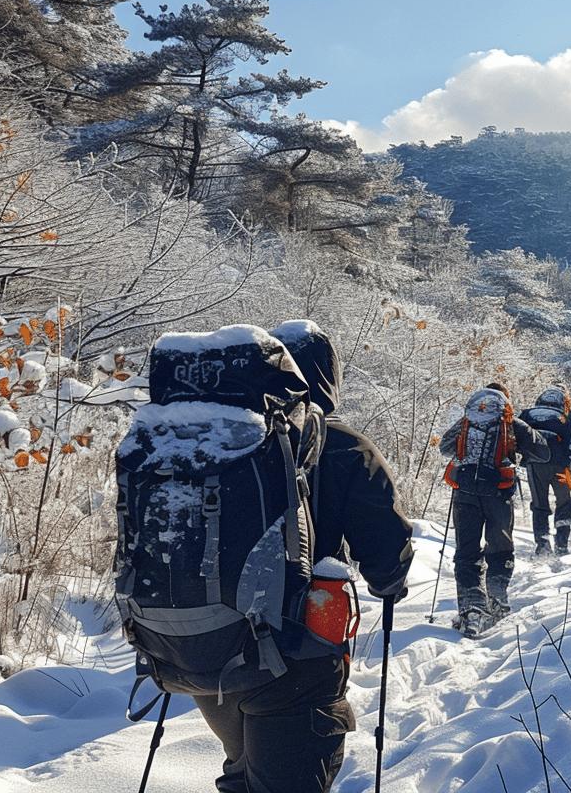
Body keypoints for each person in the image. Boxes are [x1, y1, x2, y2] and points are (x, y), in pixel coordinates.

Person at [192, 320, 414, 793]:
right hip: (298, 647)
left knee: (246, 765)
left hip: (207, 648)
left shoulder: (214, 444)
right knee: (290, 774)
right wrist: (391, 583)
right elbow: (384, 553)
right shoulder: (346, 448)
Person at [440, 383, 549, 636]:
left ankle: (472, 611)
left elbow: (445, 446)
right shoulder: (511, 423)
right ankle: (497, 599)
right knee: (499, 549)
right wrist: (519, 452)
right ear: (506, 402)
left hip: (465, 492)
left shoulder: (467, 420)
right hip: (499, 493)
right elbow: (542, 452)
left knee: (467, 552)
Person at [518, 385, 571, 554]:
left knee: (539, 503)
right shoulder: (567, 417)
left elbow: (516, 437)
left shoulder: (528, 414)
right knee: (564, 501)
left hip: (535, 465)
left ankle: (542, 544)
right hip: (562, 467)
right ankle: (562, 543)